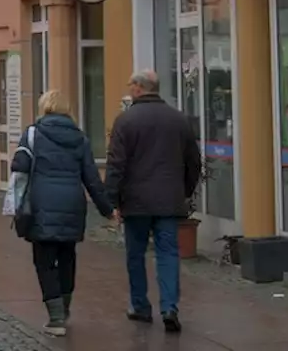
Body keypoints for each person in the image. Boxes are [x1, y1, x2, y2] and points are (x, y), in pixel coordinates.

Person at [104, 70, 201, 334]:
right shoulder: (178, 119)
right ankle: (169, 307)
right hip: (169, 200)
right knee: (168, 253)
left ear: (138, 88)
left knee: (135, 254)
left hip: (135, 202)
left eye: (130, 85)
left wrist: (110, 199)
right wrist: (185, 190)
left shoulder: (125, 121)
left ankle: (140, 306)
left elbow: (116, 164)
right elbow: (194, 161)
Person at [12, 89, 114, 337]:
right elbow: (91, 178)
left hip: (41, 204)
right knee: (67, 257)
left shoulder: (33, 133)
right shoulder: (80, 138)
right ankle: (64, 307)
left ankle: (56, 317)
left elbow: (20, 167)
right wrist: (108, 210)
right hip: (72, 204)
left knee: (45, 261)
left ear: (44, 107)